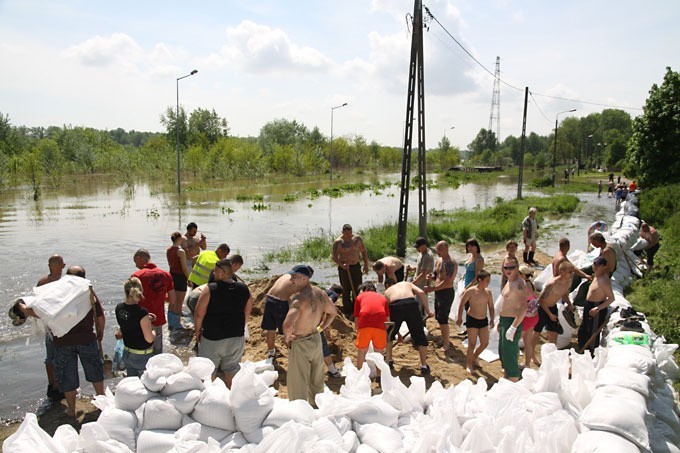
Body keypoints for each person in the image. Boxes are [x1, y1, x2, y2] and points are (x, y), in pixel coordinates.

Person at [21, 265, 105, 417]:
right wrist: (100, 332)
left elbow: (44, 312)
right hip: (86, 338)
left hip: (63, 341)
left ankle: (71, 410)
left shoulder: (58, 292)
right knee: (95, 370)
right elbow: (99, 316)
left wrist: (25, 309)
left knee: (67, 376)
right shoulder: (88, 291)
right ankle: (102, 403)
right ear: (83, 277)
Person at [283, 265, 337, 404]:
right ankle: (316, 405)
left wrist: (287, 338)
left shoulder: (299, 299)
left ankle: (298, 410)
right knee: (316, 379)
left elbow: (288, 324)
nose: (291, 280)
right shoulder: (320, 293)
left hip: (301, 341)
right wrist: (322, 327)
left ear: (304, 278)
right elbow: (332, 312)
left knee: (298, 380)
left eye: (294, 277)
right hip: (315, 337)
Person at [194, 259, 252, 387]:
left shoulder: (210, 289)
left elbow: (199, 313)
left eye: (215, 271)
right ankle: (233, 397)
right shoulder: (244, 288)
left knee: (209, 370)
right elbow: (247, 312)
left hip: (213, 338)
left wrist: (197, 331)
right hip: (236, 337)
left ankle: (210, 400)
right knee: (231, 368)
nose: (213, 274)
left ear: (221, 273)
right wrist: (240, 327)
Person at [383, 279, 434, 375]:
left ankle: (389, 361)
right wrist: (428, 311)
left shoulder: (387, 292)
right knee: (420, 335)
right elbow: (422, 292)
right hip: (411, 305)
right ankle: (424, 366)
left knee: (389, 335)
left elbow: (388, 316)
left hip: (395, 305)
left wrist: (395, 332)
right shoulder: (407, 284)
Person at [131, 248, 175, 355]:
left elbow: (131, 301)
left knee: (141, 353)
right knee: (157, 353)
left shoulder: (137, 276)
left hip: (141, 320)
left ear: (139, 258)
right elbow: (172, 300)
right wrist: (159, 296)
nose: (136, 265)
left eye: (135, 262)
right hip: (158, 319)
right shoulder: (166, 275)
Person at [36, 254, 66, 401]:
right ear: (63, 266)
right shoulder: (65, 283)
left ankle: (53, 384)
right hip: (58, 325)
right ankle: (57, 385)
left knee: (52, 356)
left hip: (51, 324)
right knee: (59, 355)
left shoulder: (43, 282)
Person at [115, 277, 156, 377]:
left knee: (133, 385)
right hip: (142, 355)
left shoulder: (119, 308)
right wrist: (153, 330)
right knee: (145, 387)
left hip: (127, 352)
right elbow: (149, 339)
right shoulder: (141, 312)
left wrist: (147, 319)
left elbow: (129, 323)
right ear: (140, 290)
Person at [455, 270, 494, 374]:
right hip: (472, 319)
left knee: (485, 343)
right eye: (486, 281)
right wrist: (459, 317)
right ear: (479, 280)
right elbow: (461, 304)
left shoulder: (488, 292)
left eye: (489, 281)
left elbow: (491, 307)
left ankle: (475, 357)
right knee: (471, 344)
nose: (488, 283)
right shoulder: (471, 291)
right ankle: (468, 364)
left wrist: (492, 319)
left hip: (483, 320)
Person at [577, 257, 615, 355]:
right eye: (594, 264)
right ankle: (581, 350)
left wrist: (598, 308)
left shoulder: (604, 280)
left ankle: (591, 353)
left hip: (596, 306)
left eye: (598, 265)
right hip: (588, 305)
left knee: (592, 333)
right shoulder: (596, 276)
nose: (595, 267)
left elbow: (611, 298)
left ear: (604, 266)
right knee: (583, 329)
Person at [497, 256, 527, 382]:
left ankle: (514, 380)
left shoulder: (519, 284)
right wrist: (500, 321)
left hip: (512, 322)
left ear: (517, 268)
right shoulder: (509, 282)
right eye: (506, 267)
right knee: (503, 352)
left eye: (512, 267)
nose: (508, 270)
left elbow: (524, 307)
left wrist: (513, 327)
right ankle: (508, 377)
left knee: (509, 354)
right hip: (504, 321)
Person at [424, 241, 457, 351]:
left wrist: (431, 289)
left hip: (446, 292)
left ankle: (446, 343)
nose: (438, 251)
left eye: (440, 249)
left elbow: (447, 281)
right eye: (437, 249)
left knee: (443, 318)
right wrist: (431, 277)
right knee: (438, 316)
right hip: (438, 291)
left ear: (446, 249)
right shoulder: (439, 260)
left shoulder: (450, 263)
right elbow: (436, 275)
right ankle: (444, 338)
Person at [262, 272, 302, 360]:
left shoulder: (285, 276)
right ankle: (294, 355)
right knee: (287, 331)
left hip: (269, 299)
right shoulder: (298, 280)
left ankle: (271, 353)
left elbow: (284, 292)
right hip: (280, 303)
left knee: (270, 329)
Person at [533, 261, 575, 345]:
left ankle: (552, 351)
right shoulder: (552, 284)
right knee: (537, 331)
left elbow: (564, 294)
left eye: (572, 271)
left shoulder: (568, 282)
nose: (572, 274)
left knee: (553, 332)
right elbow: (541, 300)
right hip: (542, 308)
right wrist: (549, 314)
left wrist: (570, 304)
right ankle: (531, 355)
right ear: (562, 272)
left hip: (553, 307)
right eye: (570, 272)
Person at [332, 224, 369, 317]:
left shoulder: (357, 239)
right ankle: (348, 310)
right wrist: (342, 265)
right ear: (343, 232)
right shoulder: (338, 242)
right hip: (344, 268)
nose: (348, 235)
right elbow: (334, 257)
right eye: (346, 233)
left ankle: (357, 307)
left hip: (356, 266)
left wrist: (366, 265)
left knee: (358, 287)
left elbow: (363, 251)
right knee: (346, 288)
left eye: (350, 233)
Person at [353, 282, 390, 370]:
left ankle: (360, 374)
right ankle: (379, 375)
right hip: (380, 323)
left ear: (363, 289)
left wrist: (357, 329)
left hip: (364, 323)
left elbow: (356, 317)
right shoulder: (382, 297)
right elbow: (388, 319)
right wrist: (384, 330)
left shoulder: (359, 297)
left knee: (362, 351)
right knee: (379, 352)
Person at [167, 231, 190, 330]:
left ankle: (170, 324)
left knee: (172, 301)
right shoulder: (181, 251)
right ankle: (176, 324)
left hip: (171, 275)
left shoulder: (168, 249)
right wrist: (189, 278)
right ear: (179, 239)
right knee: (179, 302)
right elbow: (184, 268)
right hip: (180, 277)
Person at [519, 265, 540, 368]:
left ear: (522, 275)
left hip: (526, 317)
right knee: (527, 341)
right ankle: (527, 363)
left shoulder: (524, 285)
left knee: (515, 340)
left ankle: (517, 363)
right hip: (533, 316)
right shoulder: (531, 283)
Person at [323, 285, 343, 378]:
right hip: (317, 319)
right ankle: (332, 370)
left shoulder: (324, 292)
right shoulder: (334, 295)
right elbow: (329, 302)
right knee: (323, 346)